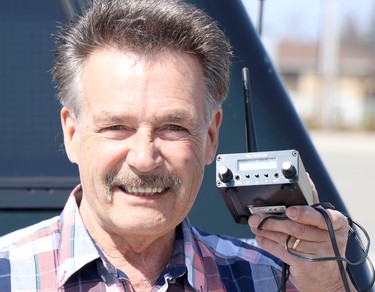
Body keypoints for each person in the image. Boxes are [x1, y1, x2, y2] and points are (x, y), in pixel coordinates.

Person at [0, 0, 353, 291]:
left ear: (211, 137)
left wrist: (328, 283)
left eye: (173, 127)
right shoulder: (7, 274)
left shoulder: (273, 278)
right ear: (72, 135)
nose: (144, 159)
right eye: (116, 126)